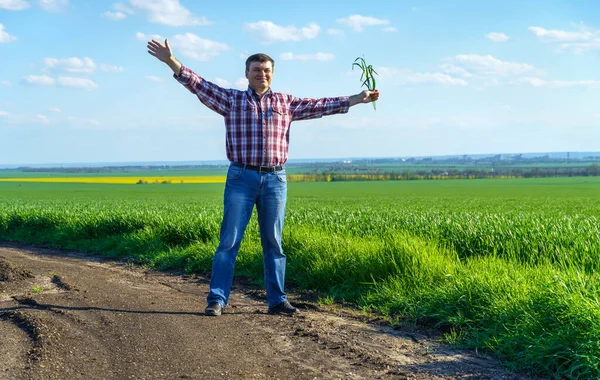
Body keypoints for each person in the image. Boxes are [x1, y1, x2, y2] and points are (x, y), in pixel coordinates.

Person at [147, 39, 380, 316]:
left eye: (267, 70)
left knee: (274, 243)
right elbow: (199, 85)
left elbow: (321, 105)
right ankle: (217, 299)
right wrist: (171, 62)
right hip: (241, 178)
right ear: (247, 73)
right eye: (256, 70)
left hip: (275, 180)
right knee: (229, 242)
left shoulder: (286, 102)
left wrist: (358, 98)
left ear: (273, 73)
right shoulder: (232, 100)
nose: (262, 74)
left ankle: (277, 300)